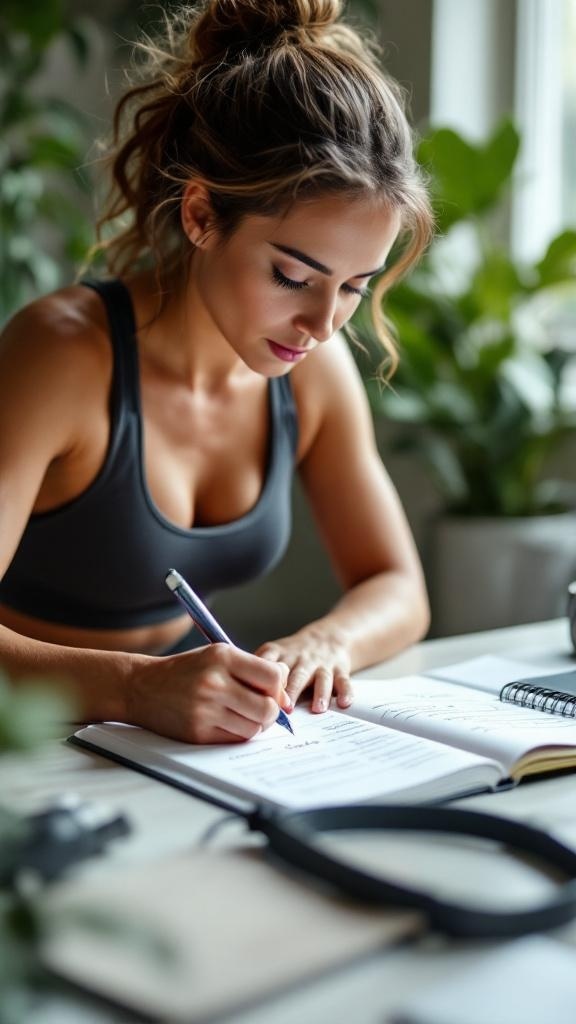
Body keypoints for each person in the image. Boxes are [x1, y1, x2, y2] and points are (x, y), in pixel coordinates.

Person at [0, 0, 433, 744]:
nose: (325, 322)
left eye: (356, 286)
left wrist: (326, 642)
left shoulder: (312, 373)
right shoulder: (62, 355)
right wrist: (135, 687)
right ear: (201, 214)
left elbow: (398, 587)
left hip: (154, 745)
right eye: (294, 275)